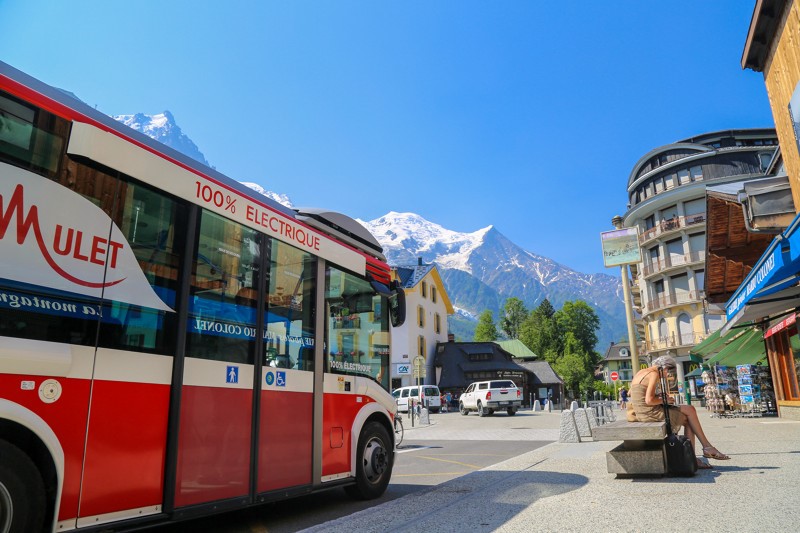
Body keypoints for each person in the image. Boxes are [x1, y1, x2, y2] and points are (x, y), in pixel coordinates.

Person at [628, 355, 729, 469]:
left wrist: (659, 397)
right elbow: (649, 400)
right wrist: (664, 400)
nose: (667, 376)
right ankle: (700, 451)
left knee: (690, 410)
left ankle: (701, 451)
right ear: (665, 368)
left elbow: (632, 393)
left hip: (643, 413)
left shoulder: (641, 372)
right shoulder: (654, 374)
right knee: (690, 416)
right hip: (651, 414)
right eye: (668, 373)